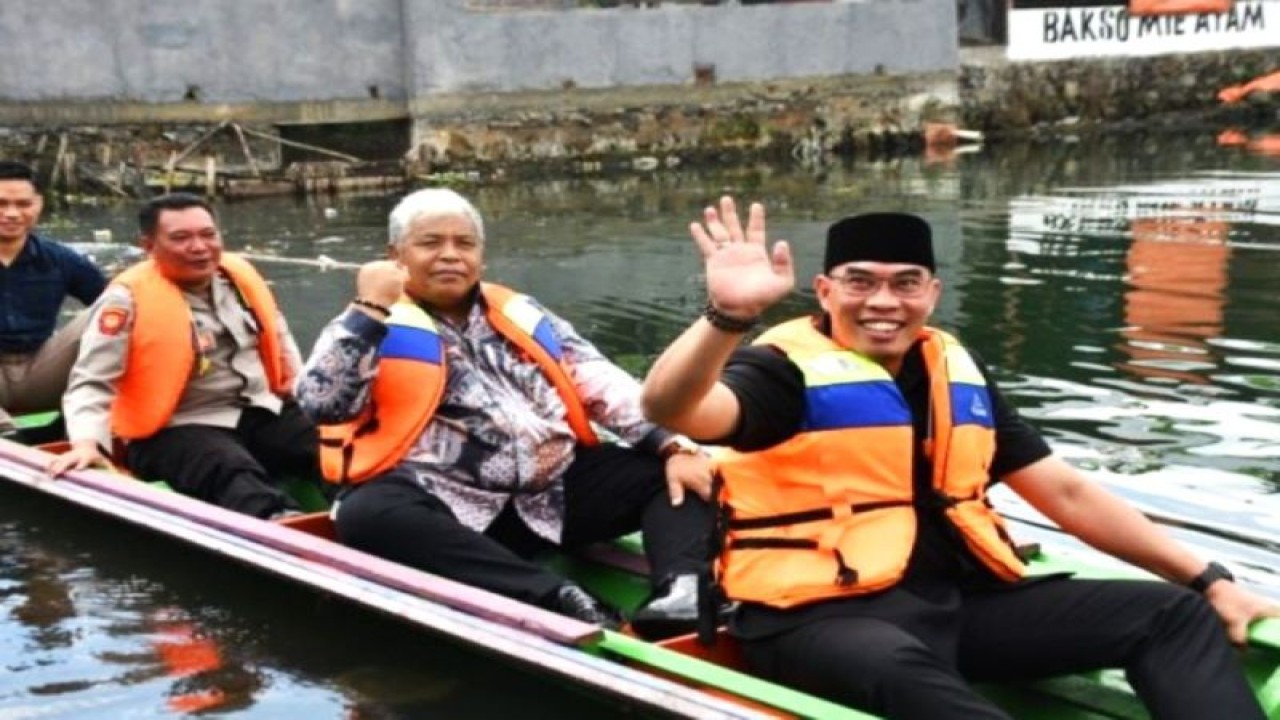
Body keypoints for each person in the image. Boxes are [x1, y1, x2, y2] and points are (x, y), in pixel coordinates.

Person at [640, 196, 1280, 719]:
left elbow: (1067, 494)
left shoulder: (954, 371)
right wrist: (727, 317)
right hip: (812, 619)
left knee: (1170, 613)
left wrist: (1209, 580)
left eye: (905, 284)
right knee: (904, 672)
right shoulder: (781, 372)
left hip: (952, 606)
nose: (883, 302)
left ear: (933, 292)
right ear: (825, 291)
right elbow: (673, 407)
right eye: (860, 282)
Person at [295, 188, 715, 637]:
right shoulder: (368, 322)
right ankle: (558, 599)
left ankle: (682, 591)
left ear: (480, 256)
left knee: (679, 469)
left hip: (552, 494)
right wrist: (370, 310)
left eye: (464, 244)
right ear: (395, 256)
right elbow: (321, 405)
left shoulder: (521, 313)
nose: (450, 255)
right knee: (365, 514)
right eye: (430, 243)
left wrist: (672, 443)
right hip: (450, 511)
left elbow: (599, 379)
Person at [46, 193, 319, 520]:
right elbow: (91, 381)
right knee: (227, 466)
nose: (199, 247)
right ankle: (282, 524)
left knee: (334, 443)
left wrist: (302, 391)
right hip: (177, 426)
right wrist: (86, 444)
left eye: (208, 235)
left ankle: (359, 512)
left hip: (258, 409)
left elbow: (280, 338)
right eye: (181, 238)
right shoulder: (126, 299)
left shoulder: (240, 281)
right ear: (148, 246)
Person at [0, 160, 107, 434]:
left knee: (116, 311)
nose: (11, 214)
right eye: (1, 204)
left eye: (23, 204)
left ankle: (87, 419)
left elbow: (113, 300)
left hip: (42, 369)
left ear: (39, 204)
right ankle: (7, 438)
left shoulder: (60, 259)